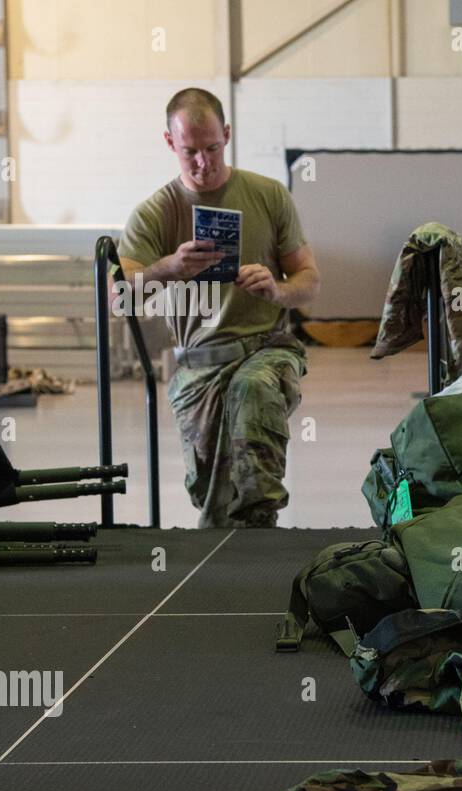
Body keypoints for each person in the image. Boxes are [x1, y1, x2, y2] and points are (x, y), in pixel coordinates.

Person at [118, 88, 320, 528]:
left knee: (253, 404)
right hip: (199, 366)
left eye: (212, 148)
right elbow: (118, 295)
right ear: (170, 144)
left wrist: (277, 290)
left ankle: (259, 541)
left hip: (266, 349)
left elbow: (309, 281)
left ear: (227, 135)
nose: (203, 163)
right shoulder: (155, 214)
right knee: (212, 495)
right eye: (190, 152)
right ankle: (226, 555)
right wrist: (167, 268)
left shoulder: (268, 196)